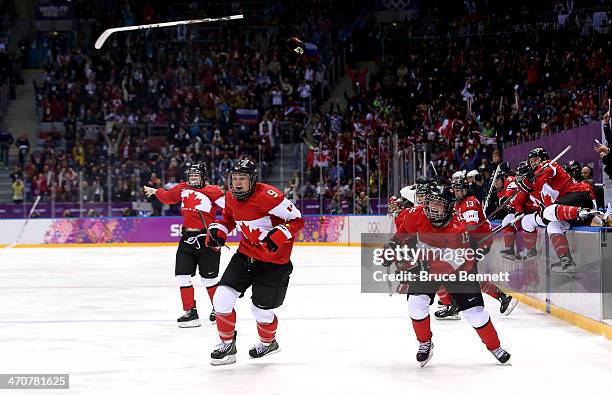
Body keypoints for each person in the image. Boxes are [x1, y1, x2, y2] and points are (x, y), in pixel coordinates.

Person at [385, 185, 511, 366]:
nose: (432, 208)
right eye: (430, 203)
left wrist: (419, 264)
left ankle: (495, 347)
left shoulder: (458, 230)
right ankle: (425, 343)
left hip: (459, 272)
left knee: (475, 314)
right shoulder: (415, 214)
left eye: (439, 204)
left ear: (449, 207)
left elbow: (458, 264)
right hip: (426, 266)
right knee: (415, 303)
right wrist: (392, 247)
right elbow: (403, 234)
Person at [205, 159, 304, 365]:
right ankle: (227, 345)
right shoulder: (230, 198)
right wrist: (218, 232)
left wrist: (281, 233)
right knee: (221, 298)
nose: (238, 183)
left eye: (242, 178)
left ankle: (268, 343)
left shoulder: (270, 196)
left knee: (261, 311)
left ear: (252, 180)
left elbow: (298, 220)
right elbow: (228, 220)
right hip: (245, 255)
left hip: (273, 262)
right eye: (234, 179)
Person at [143, 163, 225, 328]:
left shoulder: (214, 192)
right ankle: (190, 312)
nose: (193, 178)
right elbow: (168, 197)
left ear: (204, 177)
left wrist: (221, 230)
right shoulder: (182, 188)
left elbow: (230, 210)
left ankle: (219, 310)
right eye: (191, 175)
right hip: (187, 237)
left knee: (209, 279)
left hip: (207, 239)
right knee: (182, 275)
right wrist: (156, 191)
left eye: (196, 175)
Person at [516, 147, 600, 273]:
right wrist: (525, 183)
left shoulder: (549, 164)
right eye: (530, 162)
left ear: (542, 159)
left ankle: (580, 212)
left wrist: (531, 177)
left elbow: (547, 171)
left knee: (548, 212)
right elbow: (532, 189)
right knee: (553, 227)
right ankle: (567, 262)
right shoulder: (538, 184)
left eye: (535, 160)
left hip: (578, 196)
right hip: (568, 212)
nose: (532, 163)